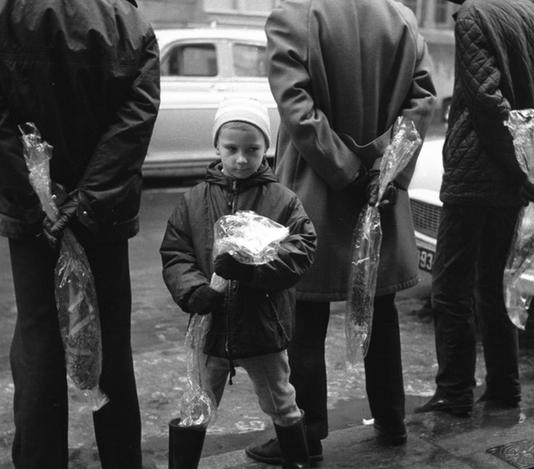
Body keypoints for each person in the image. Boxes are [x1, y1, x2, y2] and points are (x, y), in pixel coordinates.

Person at [245, 0, 437, 465]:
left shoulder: (292, 13)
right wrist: (385, 171)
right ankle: (392, 422)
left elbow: (297, 108)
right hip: (381, 193)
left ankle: (306, 436)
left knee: (305, 320)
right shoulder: (402, 17)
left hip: (315, 189)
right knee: (381, 306)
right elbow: (423, 102)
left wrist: (347, 170)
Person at [0, 0, 160, 467]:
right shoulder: (129, 23)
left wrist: (42, 201)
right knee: (111, 344)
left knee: (39, 342)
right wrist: (85, 202)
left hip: (32, 218)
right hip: (103, 214)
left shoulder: (10, 13)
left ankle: (39, 459)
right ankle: (121, 459)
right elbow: (133, 124)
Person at [415, 0, 534, 417]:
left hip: (475, 175)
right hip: (514, 181)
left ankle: (455, 391)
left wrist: (523, 166)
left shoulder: (474, 16)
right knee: (496, 284)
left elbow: (487, 101)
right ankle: (505, 388)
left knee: (450, 288)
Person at [160, 97, 317, 469]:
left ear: (267, 148)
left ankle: (297, 459)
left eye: (253, 149)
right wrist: (193, 290)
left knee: (281, 398)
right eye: (232, 149)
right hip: (210, 328)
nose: (242, 159)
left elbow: (302, 249)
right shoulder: (194, 201)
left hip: (263, 328)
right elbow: (176, 252)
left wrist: (251, 270)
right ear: (217, 146)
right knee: (196, 403)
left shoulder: (282, 200)